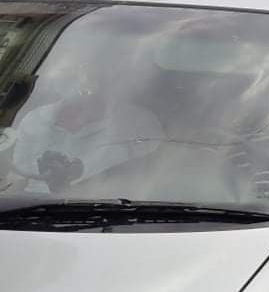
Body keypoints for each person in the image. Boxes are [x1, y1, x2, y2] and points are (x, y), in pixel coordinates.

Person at [11, 61, 164, 194]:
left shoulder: (139, 123)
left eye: (91, 74)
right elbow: (17, 178)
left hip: (113, 213)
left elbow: (149, 174)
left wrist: (77, 169)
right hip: (32, 209)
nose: (82, 82)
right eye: (71, 73)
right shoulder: (35, 119)